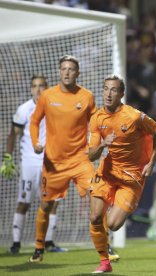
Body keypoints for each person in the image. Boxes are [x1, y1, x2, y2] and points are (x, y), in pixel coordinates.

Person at [28, 55, 100, 263]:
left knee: (98, 196)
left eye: (71, 69)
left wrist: (93, 145)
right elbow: (34, 122)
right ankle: (39, 248)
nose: (67, 72)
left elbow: (95, 124)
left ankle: (105, 247)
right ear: (59, 72)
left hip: (80, 160)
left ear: (77, 73)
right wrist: (35, 143)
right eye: (63, 69)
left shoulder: (87, 96)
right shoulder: (47, 96)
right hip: (54, 162)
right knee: (46, 205)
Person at [88, 74, 156, 273]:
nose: (108, 93)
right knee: (95, 216)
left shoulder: (134, 116)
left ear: (121, 94)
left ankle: (129, 210)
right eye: (105, 89)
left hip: (132, 177)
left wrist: (152, 161)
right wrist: (103, 143)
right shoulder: (97, 118)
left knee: (112, 224)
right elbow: (91, 156)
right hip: (107, 172)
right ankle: (105, 262)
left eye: (113, 90)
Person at [1, 75, 66, 254]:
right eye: (35, 86)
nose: (38, 89)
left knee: (52, 202)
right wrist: (7, 157)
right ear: (31, 89)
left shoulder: (55, 107)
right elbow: (13, 134)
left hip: (50, 163)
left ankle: (50, 242)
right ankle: (15, 244)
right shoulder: (24, 109)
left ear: (47, 88)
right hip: (29, 163)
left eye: (41, 86)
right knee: (24, 202)